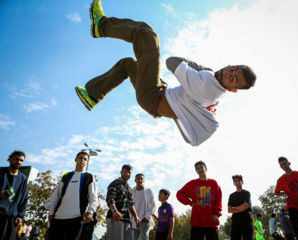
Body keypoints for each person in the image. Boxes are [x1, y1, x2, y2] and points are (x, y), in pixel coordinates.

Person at [75, 0, 257, 147]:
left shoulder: (207, 83)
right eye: (232, 69)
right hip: (157, 98)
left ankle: (102, 26)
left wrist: (203, 68)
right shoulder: (216, 94)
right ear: (231, 64)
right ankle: (92, 95)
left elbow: (172, 62)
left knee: (147, 35)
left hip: (153, 95)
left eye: (232, 79)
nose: (227, 74)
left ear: (233, 89)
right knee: (128, 65)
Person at [48, 152, 98, 240]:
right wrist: (51, 212)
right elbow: (56, 195)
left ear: (87, 163)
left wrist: (90, 212)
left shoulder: (89, 177)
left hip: (76, 219)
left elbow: (93, 197)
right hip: (58, 218)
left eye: (85, 159)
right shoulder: (66, 176)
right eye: (80, 158)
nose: (82, 160)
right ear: (76, 160)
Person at [176, 161, 222, 240]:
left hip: (211, 221)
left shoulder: (213, 183)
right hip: (197, 221)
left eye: (201, 167)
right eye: (197, 168)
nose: (200, 169)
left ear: (206, 169)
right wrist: (190, 202)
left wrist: (217, 214)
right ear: (196, 171)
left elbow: (218, 199)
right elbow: (179, 194)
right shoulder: (192, 184)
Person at [274, 156, 298, 240]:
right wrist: (284, 193)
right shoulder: (281, 180)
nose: (284, 166)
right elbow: (276, 192)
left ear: (289, 163)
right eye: (281, 165)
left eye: (285, 163)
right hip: (292, 206)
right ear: (280, 167)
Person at [106, 164, 140, 240]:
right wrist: (114, 210)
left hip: (127, 220)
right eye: (125, 172)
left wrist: (136, 216)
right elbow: (110, 198)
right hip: (115, 218)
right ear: (121, 172)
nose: (127, 174)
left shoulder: (130, 189)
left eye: (129, 172)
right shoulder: (115, 183)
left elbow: (131, 204)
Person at [0, 150, 28, 240]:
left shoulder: (23, 178)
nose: (18, 162)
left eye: (21, 160)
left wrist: (20, 215)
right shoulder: (1, 173)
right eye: (16, 159)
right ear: (10, 159)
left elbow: (24, 198)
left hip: (12, 218)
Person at [131, 173, 156, 240]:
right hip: (134, 221)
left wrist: (147, 217)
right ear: (135, 180)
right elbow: (129, 205)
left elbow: (153, 206)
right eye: (138, 178)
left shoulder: (148, 191)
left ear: (143, 180)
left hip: (144, 221)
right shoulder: (131, 191)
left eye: (141, 178)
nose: (140, 180)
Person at [228, 175, 253, 240]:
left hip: (246, 220)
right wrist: (241, 208)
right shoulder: (232, 196)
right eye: (235, 181)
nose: (237, 182)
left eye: (239, 181)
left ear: (242, 182)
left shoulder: (246, 193)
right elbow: (229, 210)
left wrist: (235, 208)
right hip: (236, 221)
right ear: (234, 183)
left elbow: (245, 206)